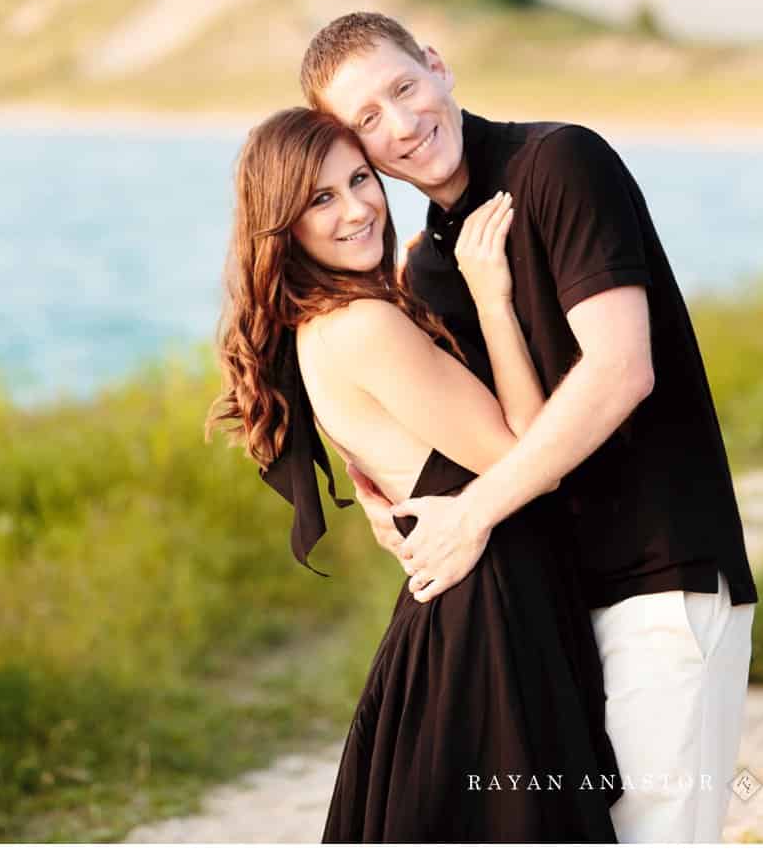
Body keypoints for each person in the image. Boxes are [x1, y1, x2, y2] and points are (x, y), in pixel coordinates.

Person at [299, 10, 758, 845]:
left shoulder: (558, 162)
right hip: (549, 614)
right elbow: (466, 427)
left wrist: (473, 513)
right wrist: (383, 495)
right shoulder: (429, 267)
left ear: (438, 65)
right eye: (367, 119)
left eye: (404, 87)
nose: (401, 124)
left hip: (662, 579)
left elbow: (622, 367)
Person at [207, 106, 622, 843]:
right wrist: (491, 295)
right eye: (320, 198)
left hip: (478, 600)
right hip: (485, 617)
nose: (358, 207)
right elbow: (524, 454)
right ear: (283, 223)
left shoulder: (335, 317)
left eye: (360, 179)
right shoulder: (361, 326)